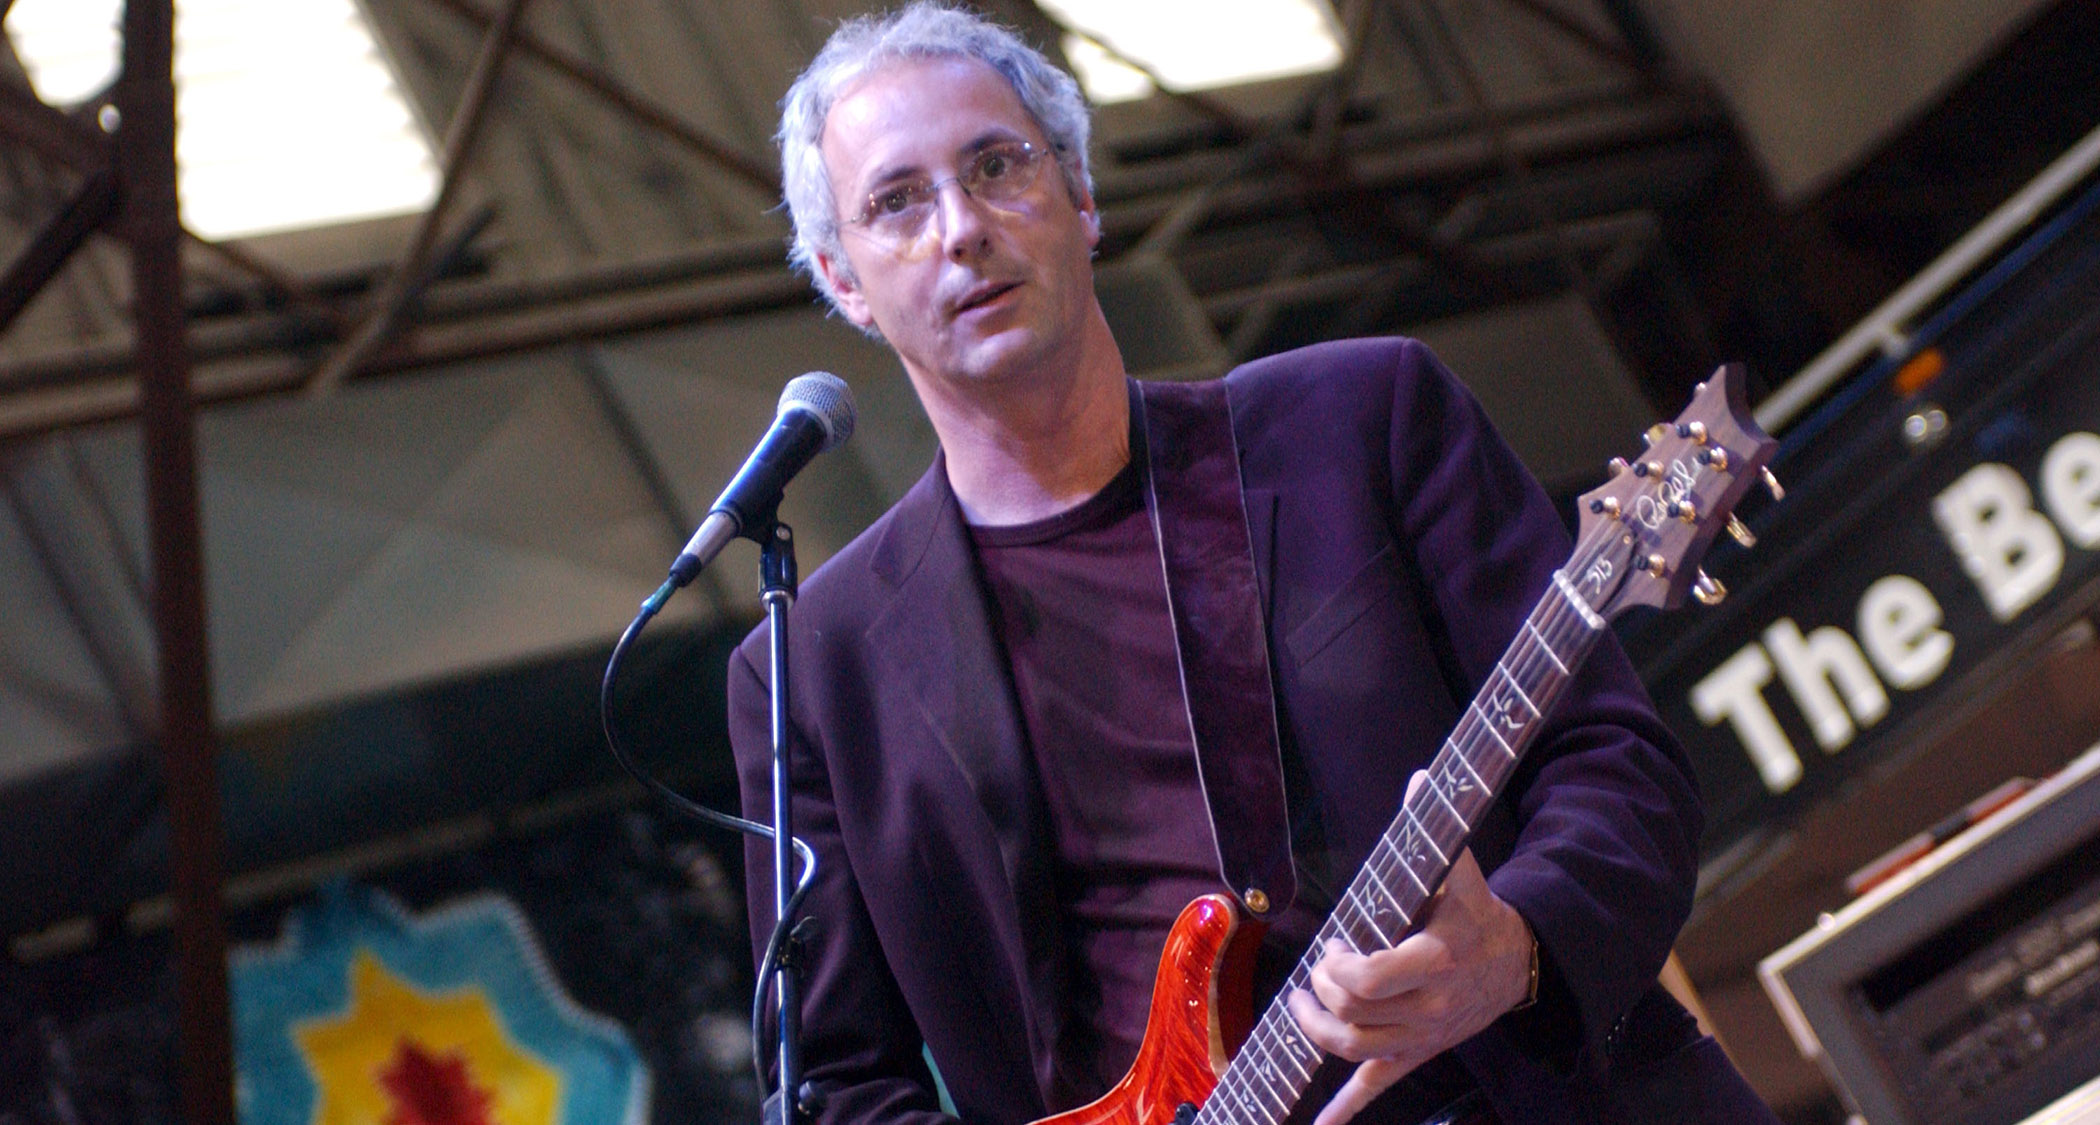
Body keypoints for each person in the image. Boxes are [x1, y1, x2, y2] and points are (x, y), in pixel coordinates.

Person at [727, 5, 1779, 1123]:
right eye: (896, 202)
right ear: (843, 279)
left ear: (1080, 195)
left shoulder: (1361, 421)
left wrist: (1516, 950)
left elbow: (1618, 760)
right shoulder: (813, 670)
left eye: (996, 166)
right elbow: (836, 1086)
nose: (961, 229)